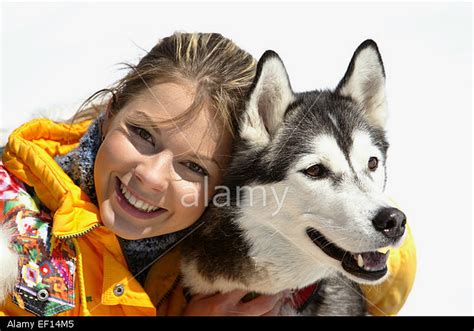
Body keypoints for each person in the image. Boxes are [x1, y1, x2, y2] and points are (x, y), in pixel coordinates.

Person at [0, 32, 416, 316]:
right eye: (142, 134)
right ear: (111, 112)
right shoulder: (10, 235)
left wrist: (368, 236)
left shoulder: (197, 244)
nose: (152, 176)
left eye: (194, 166)